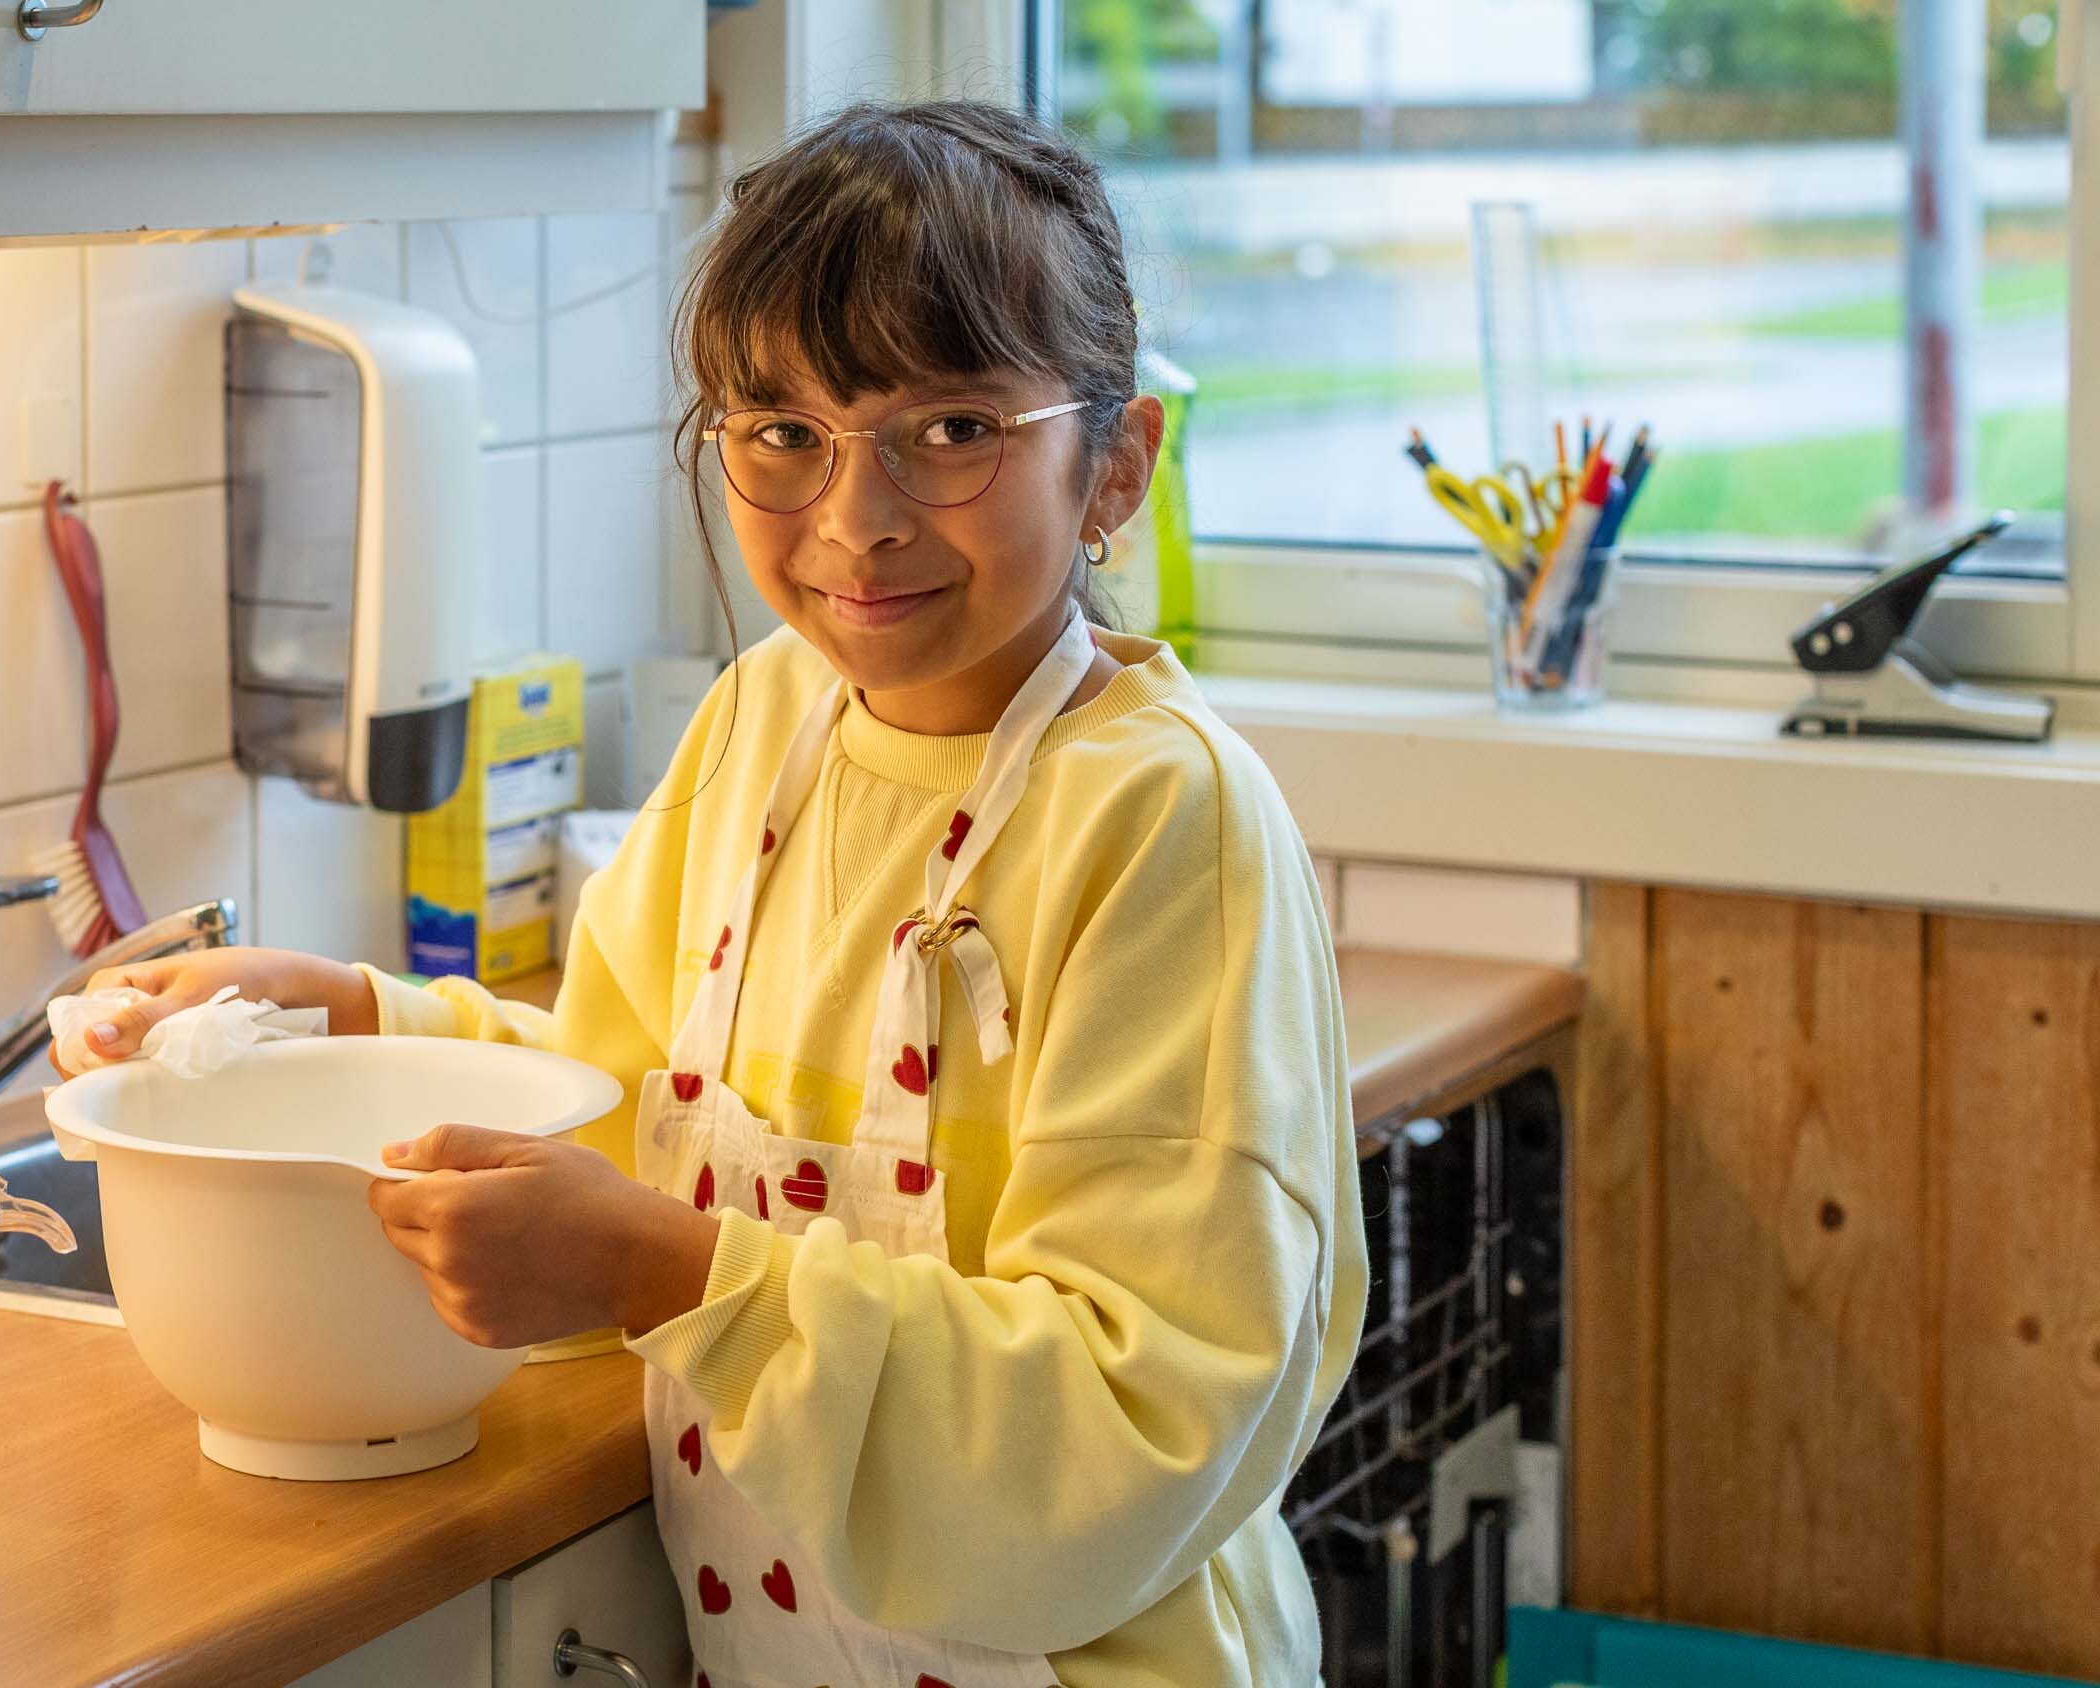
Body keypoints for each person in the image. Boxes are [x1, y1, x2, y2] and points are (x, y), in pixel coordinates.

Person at [66, 99, 1364, 1688]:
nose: (858, 519)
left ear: (1114, 468)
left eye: (954, 429)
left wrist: (662, 1272)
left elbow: (1129, 1428)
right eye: (785, 434)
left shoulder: (1162, 818)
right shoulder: (766, 720)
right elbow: (630, 1112)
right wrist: (346, 1020)